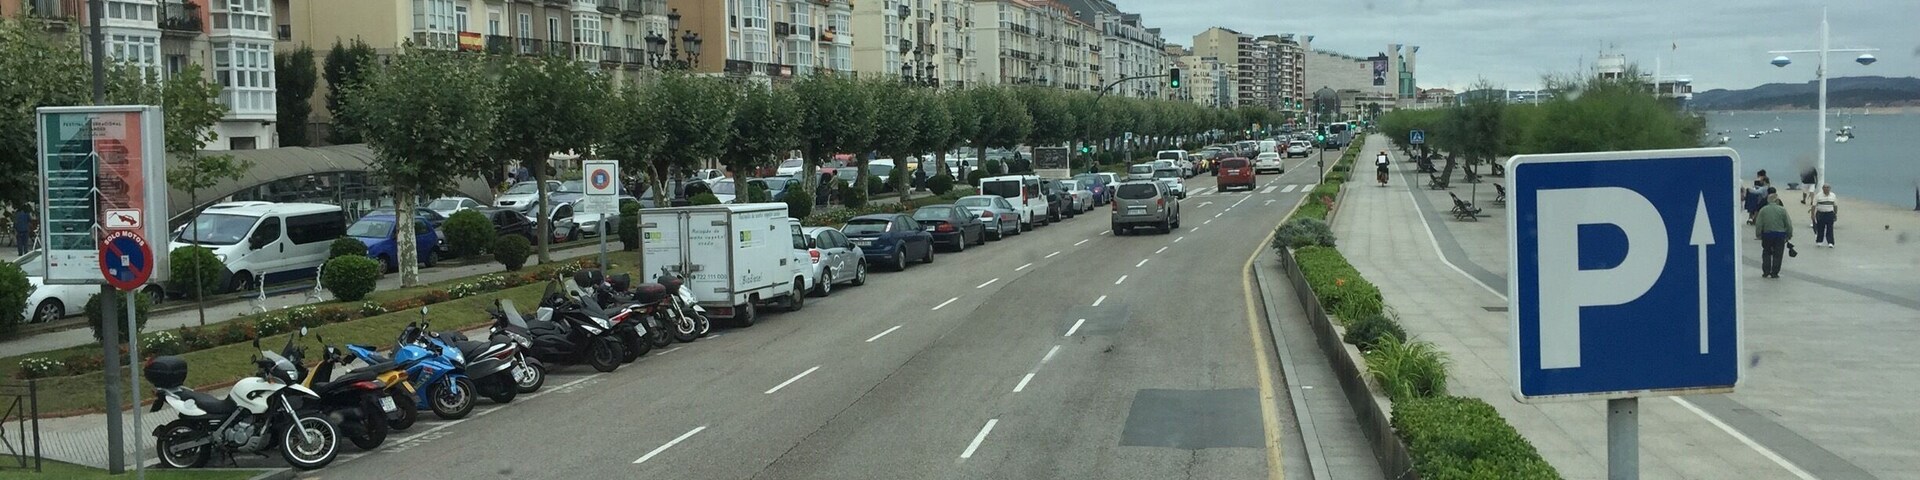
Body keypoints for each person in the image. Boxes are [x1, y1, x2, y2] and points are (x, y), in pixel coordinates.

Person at [1756, 194, 1793, 279]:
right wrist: (1789, 234)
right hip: (1780, 235)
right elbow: (1788, 224)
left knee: (1766, 252)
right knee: (1778, 254)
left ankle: (1766, 271)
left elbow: (1759, 224)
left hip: (1767, 234)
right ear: (1777, 200)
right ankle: (1775, 272)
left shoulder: (1763, 210)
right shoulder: (1782, 210)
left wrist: (1758, 234)